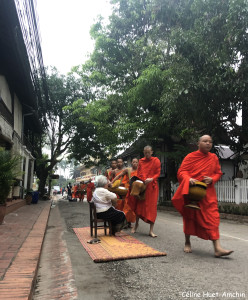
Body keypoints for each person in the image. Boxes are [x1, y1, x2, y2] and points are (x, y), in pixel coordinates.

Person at [172, 135, 233, 257]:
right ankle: (187, 242)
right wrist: (188, 179)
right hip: (193, 192)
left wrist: (213, 178)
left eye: (210, 141)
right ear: (198, 143)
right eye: (205, 141)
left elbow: (218, 173)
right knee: (189, 217)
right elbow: (181, 172)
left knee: (213, 218)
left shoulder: (213, 158)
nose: (208, 143)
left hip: (207, 193)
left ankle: (217, 248)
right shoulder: (191, 157)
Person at [129, 146, 161, 237]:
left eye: (148, 152)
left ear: (152, 152)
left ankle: (151, 230)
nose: (147, 154)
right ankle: (136, 225)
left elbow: (158, 173)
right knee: (139, 205)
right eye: (145, 153)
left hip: (152, 187)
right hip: (143, 185)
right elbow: (138, 173)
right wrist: (142, 180)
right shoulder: (141, 161)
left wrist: (151, 178)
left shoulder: (156, 160)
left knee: (152, 208)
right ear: (143, 152)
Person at [112, 158, 138, 227]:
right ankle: (124, 222)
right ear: (131, 163)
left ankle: (129, 222)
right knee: (127, 206)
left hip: (135, 191)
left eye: (136, 162)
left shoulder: (140, 170)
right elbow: (119, 176)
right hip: (127, 190)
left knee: (132, 208)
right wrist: (112, 182)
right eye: (133, 162)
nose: (135, 163)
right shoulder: (127, 170)